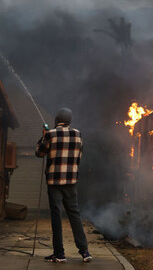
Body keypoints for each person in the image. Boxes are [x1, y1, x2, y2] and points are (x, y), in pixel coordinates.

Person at [36, 108, 92, 263]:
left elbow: (39, 153)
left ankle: (59, 254)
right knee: (75, 215)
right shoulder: (78, 134)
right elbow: (79, 157)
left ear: (57, 119)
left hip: (54, 182)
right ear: (70, 120)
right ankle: (85, 252)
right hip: (71, 181)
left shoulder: (51, 134)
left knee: (56, 217)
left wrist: (42, 138)